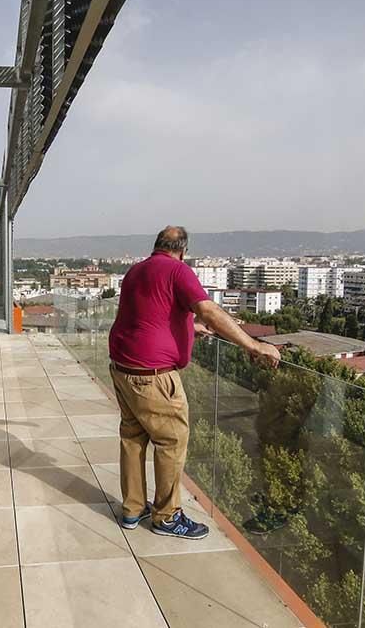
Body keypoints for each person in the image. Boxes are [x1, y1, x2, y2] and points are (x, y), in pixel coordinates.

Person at [108, 226, 281, 539]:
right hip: (153, 376)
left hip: (122, 368)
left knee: (133, 438)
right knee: (171, 442)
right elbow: (209, 310)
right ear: (182, 250)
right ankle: (166, 517)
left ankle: (133, 509)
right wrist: (253, 346)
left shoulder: (136, 271)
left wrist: (189, 327)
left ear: (157, 245)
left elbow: (150, 314)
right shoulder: (178, 270)